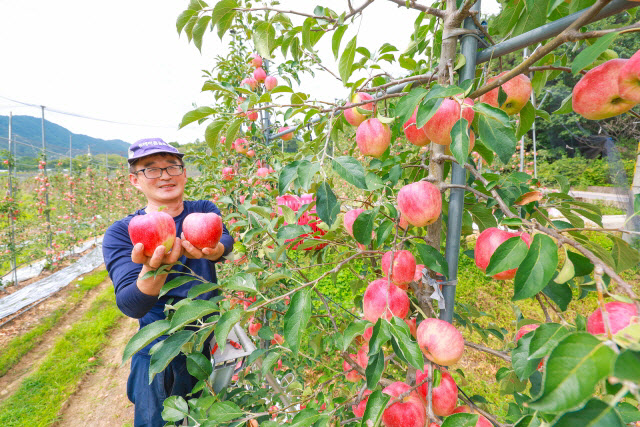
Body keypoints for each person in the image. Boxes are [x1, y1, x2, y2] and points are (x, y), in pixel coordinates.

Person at [102, 138, 234, 427]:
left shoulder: (202, 209)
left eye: (172, 166)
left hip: (209, 333)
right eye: (150, 169)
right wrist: (155, 270)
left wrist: (216, 250)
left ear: (184, 173)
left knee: (212, 412)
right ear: (135, 181)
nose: (164, 175)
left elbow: (225, 239)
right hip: (162, 342)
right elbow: (130, 303)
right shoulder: (123, 232)